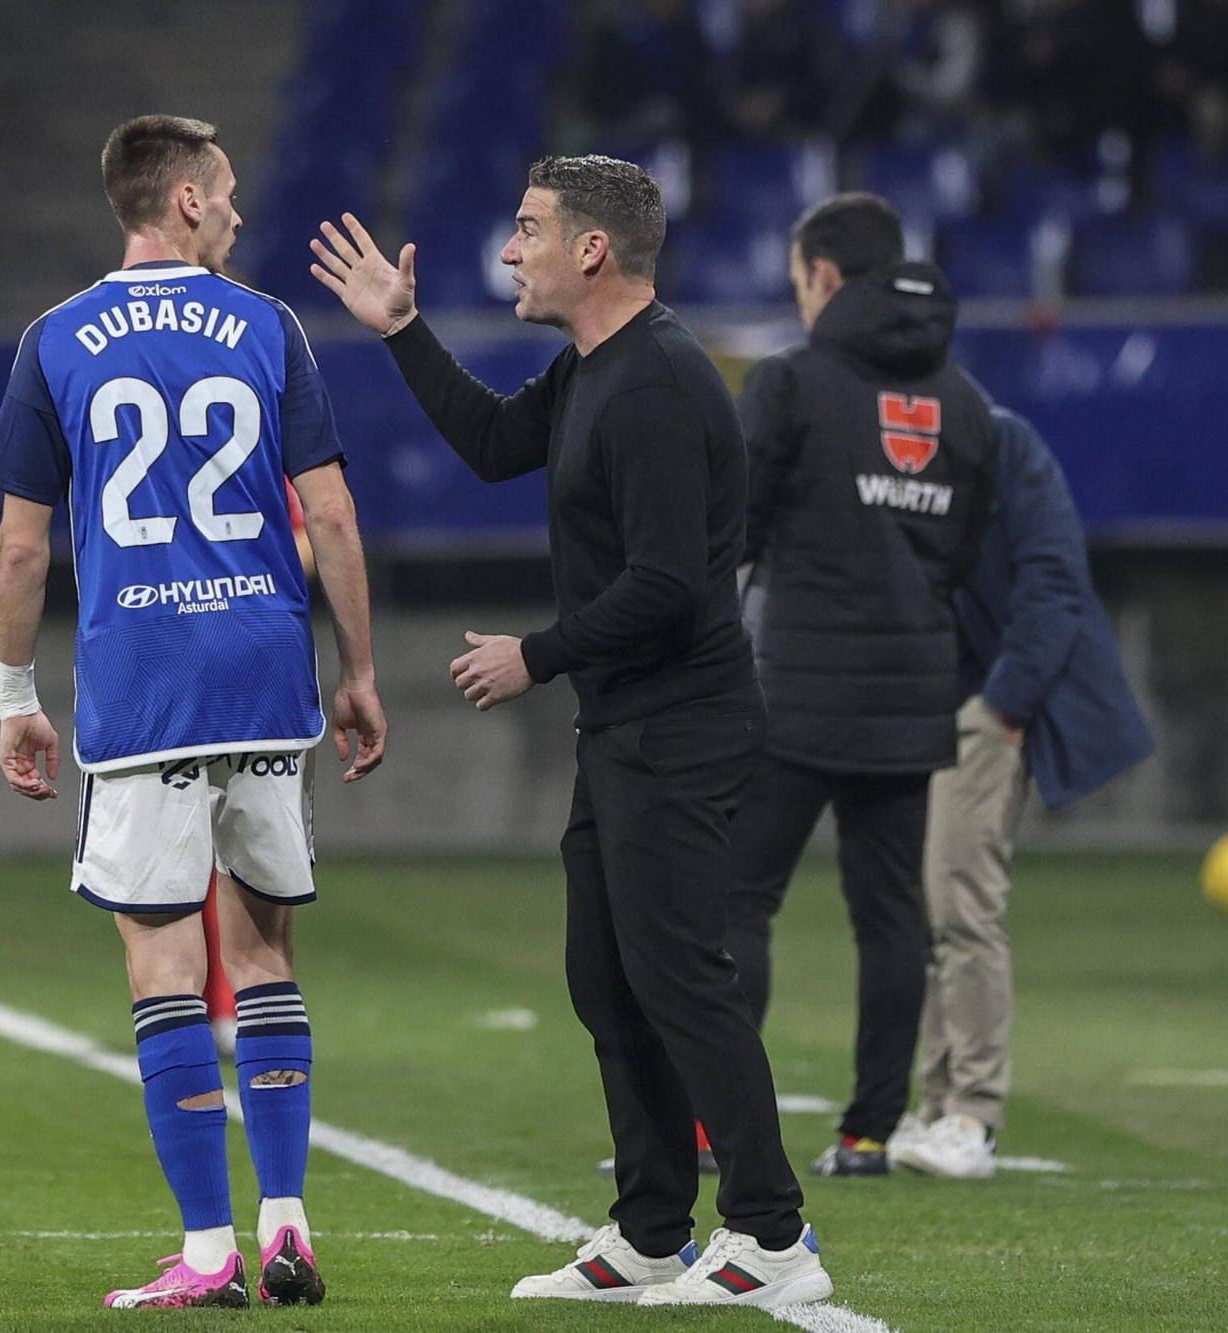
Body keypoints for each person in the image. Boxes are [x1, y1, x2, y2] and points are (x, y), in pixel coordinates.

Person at [310, 155, 829, 1309]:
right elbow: (494, 445)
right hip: (628, 725)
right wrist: (401, 332)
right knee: (607, 975)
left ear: (589, 250)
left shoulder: (653, 385)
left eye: (528, 229)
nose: (510, 250)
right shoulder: (593, 366)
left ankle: (770, 1237)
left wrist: (532, 654)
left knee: (679, 979)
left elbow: (672, 588)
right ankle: (649, 1229)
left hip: (680, 726)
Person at [0, 114, 386, 1311]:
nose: (242, 213)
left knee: (165, 964)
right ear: (188, 203)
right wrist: (357, 671)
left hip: (143, 684)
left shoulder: (54, 339)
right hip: (266, 674)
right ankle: (288, 1224)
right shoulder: (267, 326)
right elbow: (333, 516)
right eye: (228, 192)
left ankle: (208, 1253)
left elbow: (19, 545)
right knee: (262, 951)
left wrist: (16, 695)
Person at [726, 192, 996, 1177]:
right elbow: (962, 555)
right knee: (888, 917)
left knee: (732, 901)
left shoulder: (791, 383)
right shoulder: (963, 403)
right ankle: (867, 1132)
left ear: (824, 278)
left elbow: (736, 530)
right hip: (910, 696)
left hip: (791, 689)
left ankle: (718, 1130)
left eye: (798, 280)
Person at [890, 405, 1154, 1178]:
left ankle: (971, 1111)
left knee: (962, 897)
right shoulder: (897, 430)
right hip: (932, 698)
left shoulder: (997, 438)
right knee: (933, 900)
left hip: (984, 700)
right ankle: (940, 1102)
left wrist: (1007, 700)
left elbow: (1053, 578)